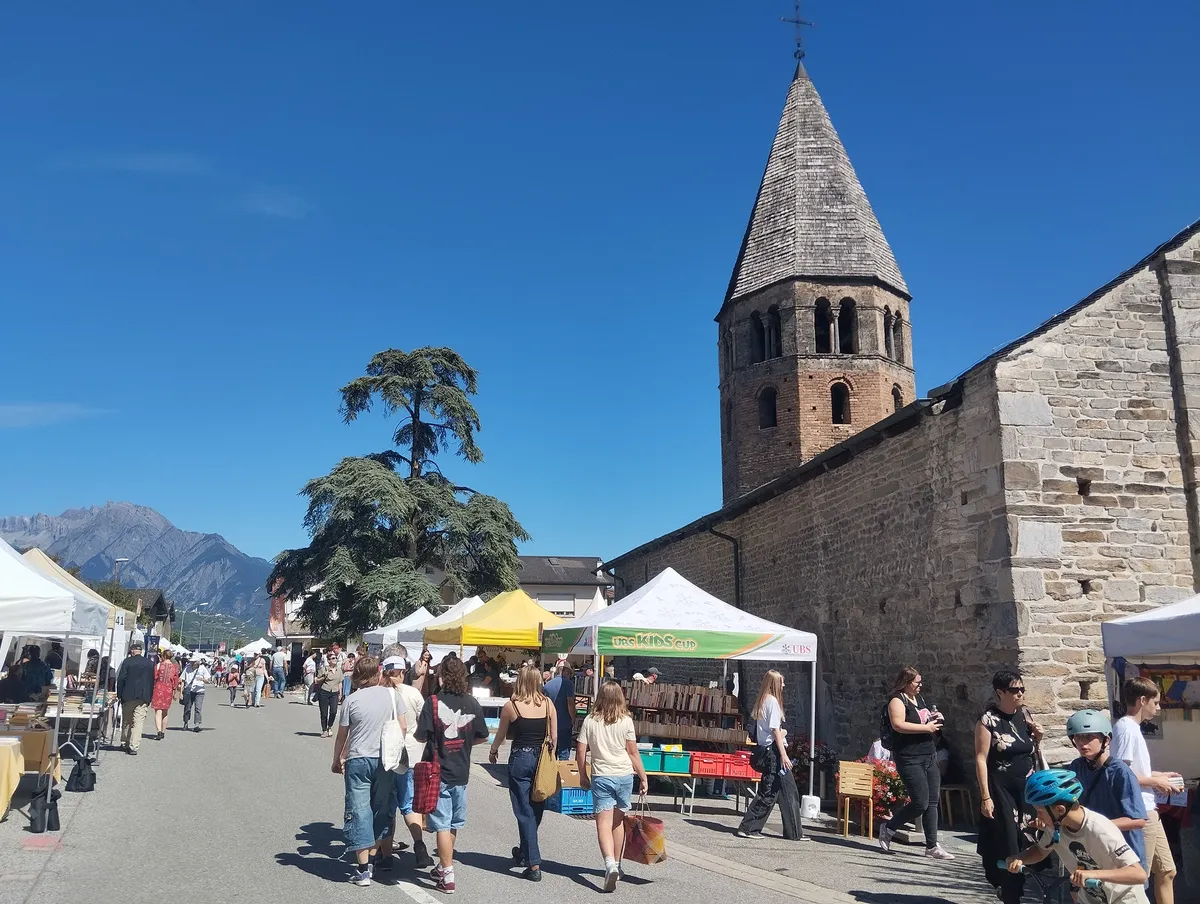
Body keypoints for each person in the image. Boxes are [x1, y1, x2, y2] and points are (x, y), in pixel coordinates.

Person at [1006, 769, 1149, 904]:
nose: (1038, 817)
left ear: (1060, 810)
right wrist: (1020, 858)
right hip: (1091, 899)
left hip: (1123, 899)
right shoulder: (1056, 827)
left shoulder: (1099, 829)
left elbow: (1138, 874)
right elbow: (1040, 850)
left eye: (1040, 811)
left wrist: (1094, 874)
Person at [414, 655, 488, 895]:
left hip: (438, 771)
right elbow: (482, 736)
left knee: (443, 825)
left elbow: (421, 736)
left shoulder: (433, 702)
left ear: (442, 677)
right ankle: (443, 866)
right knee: (453, 823)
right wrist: (464, 743)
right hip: (461, 771)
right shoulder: (472, 703)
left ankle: (447, 874)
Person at [333, 655, 407, 887]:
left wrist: (337, 759)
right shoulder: (393, 696)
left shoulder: (351, 700)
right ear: (378, 673)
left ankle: (363, 869)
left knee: (359, 810)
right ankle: (373, 859)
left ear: (356, 676)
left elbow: (343, 735)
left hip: (358, 759)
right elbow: (403, 727)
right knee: (380, 809)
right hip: (385, 760)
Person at [974, 668, 1043, 904]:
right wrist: (985, 797)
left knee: (1029, 838)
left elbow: (1031, 751)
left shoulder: (1025, 715)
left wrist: (1038, 738)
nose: (1020, 694)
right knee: (1007, 841)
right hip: (1001, 789)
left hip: (1027, 789)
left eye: (1022, 689)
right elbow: (981, 759)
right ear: (1000, 692)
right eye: (1014, 690)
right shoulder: (988, 720)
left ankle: (1020, 889)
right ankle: (1009, 892)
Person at [1112, 677, 1180, 904]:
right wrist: (1155, 782)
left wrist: (1159, 776)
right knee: (1139, 877)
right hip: (1140, 810)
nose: (1158, 708)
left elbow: (1134, 771)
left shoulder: (1132, 728)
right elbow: (1121, 775)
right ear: (1142, 700)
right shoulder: (1126, 729)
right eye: (1156, 702)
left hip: (1150, 809)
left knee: (1167, 871)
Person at [576, 680, 649, 892]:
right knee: (618, 823)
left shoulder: (590, 720)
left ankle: (609, 865)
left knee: (603, 825)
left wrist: (582, 775)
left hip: (602, 776)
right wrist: (643, 777)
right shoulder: (626, 721)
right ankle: (617, 864)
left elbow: (580, 751)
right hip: (624, 775)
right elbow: (633, 752)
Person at [489, 666, 556, 881]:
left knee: (523, 810)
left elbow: (500, 735)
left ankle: (534, 864)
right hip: (541, 759)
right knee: (535, 808)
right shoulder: (548, 704)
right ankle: (525, 851)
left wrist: (493, 750)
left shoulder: (512, 706)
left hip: (520, 757)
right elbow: (554, 738)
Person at [879, 666, 953, 859]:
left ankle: (932, 846)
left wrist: (935, 718)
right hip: (909, 756)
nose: (920, 685)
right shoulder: (897, 700)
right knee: (920, 802)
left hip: (929, 754)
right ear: (906, 682)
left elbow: (923, 720)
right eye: (917, 682)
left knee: (932, 802)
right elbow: (898, 725)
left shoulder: (919, 699)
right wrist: (925, 728)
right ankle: (889, 827)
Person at [1066, 709, 1147, 871]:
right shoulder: (1076, 767)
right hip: (1092, 851)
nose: (1082, 743)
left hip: (1122, 853)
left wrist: (1095, 826)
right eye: (1078, 737)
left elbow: (1137, 820)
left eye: (1089, 737)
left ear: (1106, 740)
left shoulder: (1120, 772)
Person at [376, 653, 434, 871]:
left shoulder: (379, 694)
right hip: (411, 753)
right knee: (409, 804)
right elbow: (424, 722)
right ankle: (419, 846)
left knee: (386, 806)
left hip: (387, 755)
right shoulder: (413, 693)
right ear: (403, 672)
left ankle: (385, 854)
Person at [735, 669, 804, 840]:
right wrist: (784, 754)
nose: (784, 685)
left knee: (789, 790)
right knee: (768, 792)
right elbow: (774, 731)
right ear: (774, 684)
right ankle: (748, 827)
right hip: (772, 752)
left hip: (769, 750)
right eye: (781, 682)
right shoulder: (772, 702)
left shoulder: (763, 700)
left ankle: (794, 833)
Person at [115, 640, 155, 755]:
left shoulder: (127, 662)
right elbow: (151, 681)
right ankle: (134, 746)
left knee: (126, 720)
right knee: (138, 722)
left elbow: (121, 679)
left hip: (128, 695)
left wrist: (119, 695)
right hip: (143, 696)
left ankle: (125, 742)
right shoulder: (149, 663)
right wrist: (149, 697)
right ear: (141, 651)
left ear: (132, 651)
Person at [543, 661, 576, 760]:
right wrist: (573, 718)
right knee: (564, 752)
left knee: (551, 751)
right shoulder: (568, 684)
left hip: (550, 722)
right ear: (566, 672)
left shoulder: (547, 685)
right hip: (564, 721)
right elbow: (570, 703)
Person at [151, 649, 180, 741]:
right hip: (168, 689)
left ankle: (159, 731)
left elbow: (155, 677)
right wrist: (175, 691)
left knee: (158, 711)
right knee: (165, 711)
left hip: (158, 688)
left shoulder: (159, 665)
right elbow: (175, 680)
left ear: (163, 656)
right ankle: (163, 731)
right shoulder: (174, 667)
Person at [180, 654, 211, 732]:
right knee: (187, 708)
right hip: (189, 691)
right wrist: (181, 693)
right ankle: (186, 722)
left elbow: (208, 681)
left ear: (198, 662)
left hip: (200, 691)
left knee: (198, 708)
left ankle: (197, 724)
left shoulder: (202, 668)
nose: (192, 663)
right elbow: (182, 680)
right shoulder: (187, 668)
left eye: (194, 662)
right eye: (191, 662)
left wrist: (202, 679)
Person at [315, 652, 343, 738]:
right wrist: (324, 676)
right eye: (333, 658)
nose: (335, 660)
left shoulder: (339, 670)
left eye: (335, 658)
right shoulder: (324, 669)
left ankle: (329, 726)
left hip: (334, 693)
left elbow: (340, 682)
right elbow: (317, 681)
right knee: (324, 713)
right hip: (324, 692)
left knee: (333, 711)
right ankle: (324, 730)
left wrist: (340, 694)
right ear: (328, 660)